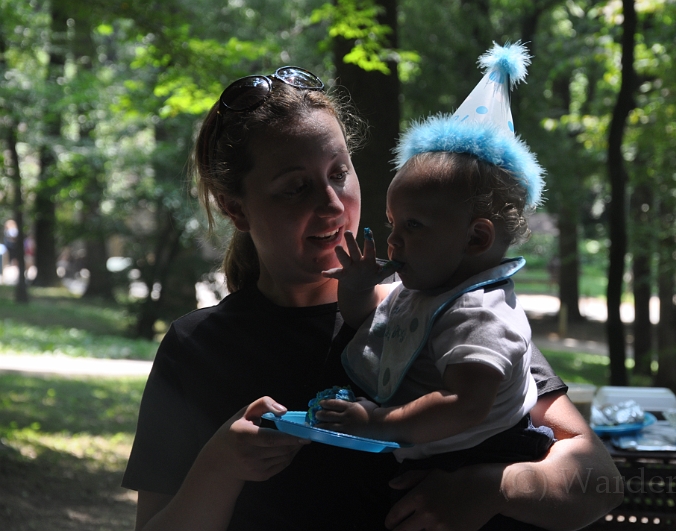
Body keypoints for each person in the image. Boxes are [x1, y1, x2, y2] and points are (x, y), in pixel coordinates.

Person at [122, 61, 622, 531]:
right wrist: (218, 467)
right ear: (235, 209)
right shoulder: (198, 348)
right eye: (295, 187)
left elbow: (598, 482)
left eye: (339, 173)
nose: (332, 204)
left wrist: (496, 487)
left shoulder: (445, 308)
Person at [314, 43, 555, 471]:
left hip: (485, 454)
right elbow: (364, 318)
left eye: (413, 225)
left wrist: (376, 422)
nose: (393, 240)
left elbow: (465, 405)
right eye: (392, 224)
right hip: (443, 449)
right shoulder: (428, 287)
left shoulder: (483, 314)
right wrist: (357, 287)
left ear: (476, 238)